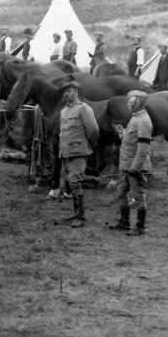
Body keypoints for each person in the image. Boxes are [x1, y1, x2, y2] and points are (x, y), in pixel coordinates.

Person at [56, 79, 99, 228]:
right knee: (71, 182)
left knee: (75, 183)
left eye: (68, 91)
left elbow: (93, 130)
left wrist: (87, 146)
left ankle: (80, 217)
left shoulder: (83, 109)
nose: (66, 95)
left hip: (78, 152)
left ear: (76, 92)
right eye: (64, 92)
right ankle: (76, 214)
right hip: (66, 153)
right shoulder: (64, 111)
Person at [110, 90, 152, 235]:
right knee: (121, 193)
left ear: (138, 102)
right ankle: (124, 222)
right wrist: (122, 133)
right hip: (125, 166)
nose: (128, 103)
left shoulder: (144, 121)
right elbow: (131, 141)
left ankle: (140, 227)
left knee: (139, 195)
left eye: (130, 101)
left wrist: (135, 168)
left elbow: (143, 148)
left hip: (134, 168)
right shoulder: (135, 118)